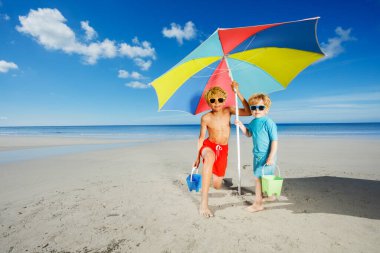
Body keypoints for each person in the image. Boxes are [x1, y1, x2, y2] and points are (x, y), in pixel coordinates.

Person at [193, 81, 251, 218]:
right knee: (209, 158)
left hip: (222, 149)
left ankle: (213, 176)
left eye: (220, 99)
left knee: (218, 185)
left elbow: (248, 112)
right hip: (209, 146)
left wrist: (237, 92)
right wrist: (197, 157)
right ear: (208, 102)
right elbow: (201, 138)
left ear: (224, 99)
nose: (216, 103)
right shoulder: (205, 118)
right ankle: (204, 204)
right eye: (212, 100)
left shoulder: (229, 111)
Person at [235, 93, 278, 213]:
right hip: (257, 155)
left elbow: (274, 141)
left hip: (267, 155)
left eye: (260, 107)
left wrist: (271, 157)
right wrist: (241, 126)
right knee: (265, 177)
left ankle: (258, 203)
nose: (256, 110)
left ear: (266, 110)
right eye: (253, 108)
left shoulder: (268, 122)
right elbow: (248, 134)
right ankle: (271, 196)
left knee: (258, 178)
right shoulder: (253, 122)